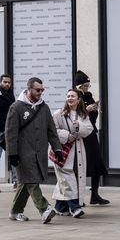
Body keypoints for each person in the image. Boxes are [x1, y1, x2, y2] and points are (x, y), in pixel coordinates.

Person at [5, 77, 62, 224]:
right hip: (22, 153)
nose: (40, 92)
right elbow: (10, 133)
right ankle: (45, 209)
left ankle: (15, 211)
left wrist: (57, 149)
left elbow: (51, 131)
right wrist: (12, 154)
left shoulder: (44, 108)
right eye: (37, 90)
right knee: (31, 180)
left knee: (25, 181)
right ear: (29, 88)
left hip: (39, 153)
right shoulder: (16, 107)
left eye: (42, 90)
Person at [50, 88, 94, 218]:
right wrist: (66, 135)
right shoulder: (59, 114)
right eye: (68, 96)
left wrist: (79, 126)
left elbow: (89, 130)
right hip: (62, 152)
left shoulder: (83, 115)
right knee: (67, 178)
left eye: (72, 96)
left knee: (69, 179)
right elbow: (52, 130)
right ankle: (75, 207)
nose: (70, 98)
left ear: (78, 99)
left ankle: (60, 206)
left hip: (77, 152)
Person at [74, 70, 110, 206]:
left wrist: (94, 109)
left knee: (97, 164)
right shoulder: (74, 97)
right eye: (85, 85)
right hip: (81, 135)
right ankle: (77, 197)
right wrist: (86, 110)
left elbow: (91, 120)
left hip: (91, 133)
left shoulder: (88, 96)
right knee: (80, 165)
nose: (87, 88)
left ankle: (95, 194)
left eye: (88, 85)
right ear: (78, 86)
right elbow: (73, 115)